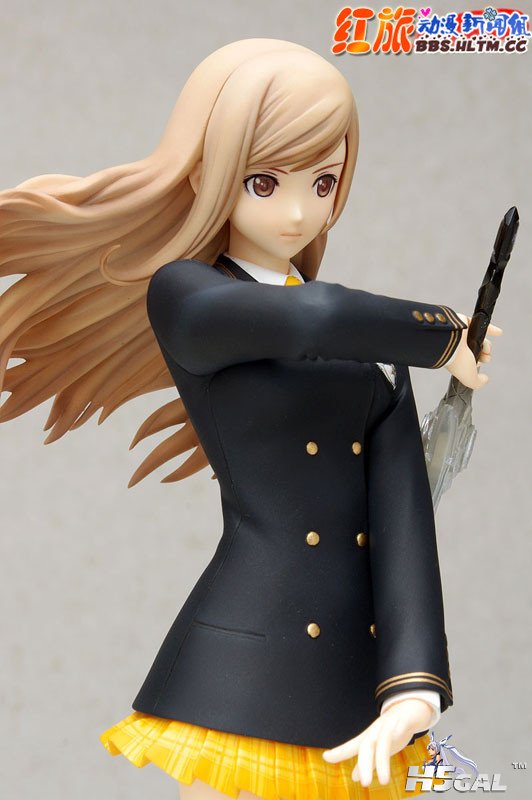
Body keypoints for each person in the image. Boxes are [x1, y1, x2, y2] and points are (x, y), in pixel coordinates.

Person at [0, 39, 501, 800]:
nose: (298, 211)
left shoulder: (376, 362)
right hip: (241, 672)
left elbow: (404, 529)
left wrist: (414, 688)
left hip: (356, 689)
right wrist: (439, 334)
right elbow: (312, 317)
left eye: (323, 182)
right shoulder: (188, 298)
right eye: (265, 182)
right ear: (205, 173)